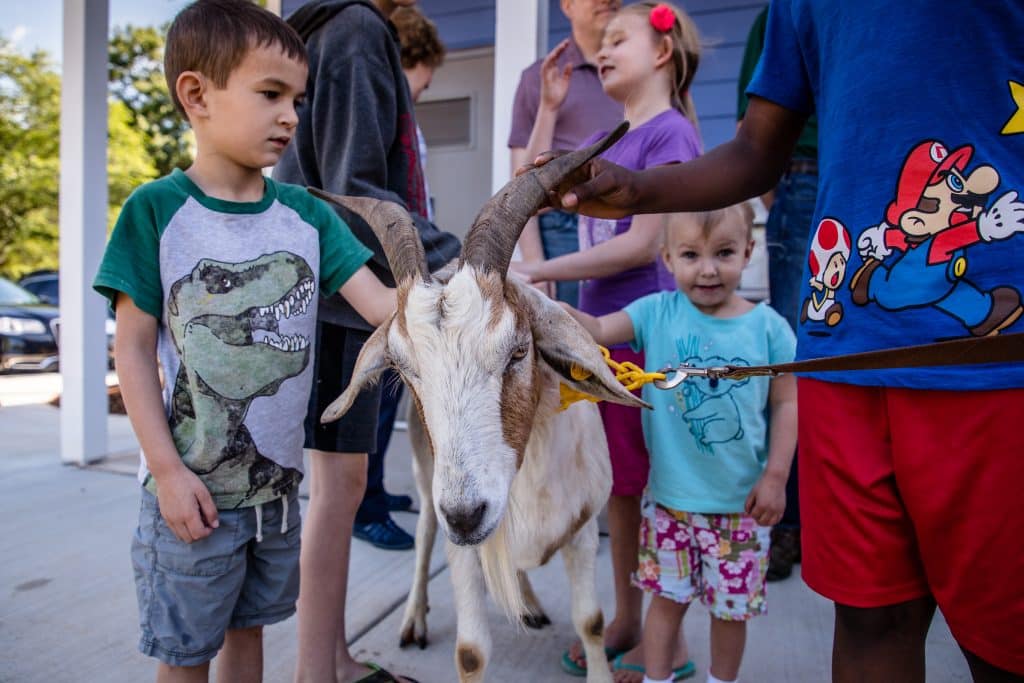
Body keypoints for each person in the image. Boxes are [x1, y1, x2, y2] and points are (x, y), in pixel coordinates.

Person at [533, 2, 1024, 679]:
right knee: (868, 617)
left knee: (1004, 639)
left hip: (991, 355)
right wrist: (637, 191)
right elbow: (758, 147)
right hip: (841, 346)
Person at [92, 1, 397, 681]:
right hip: (191, 495)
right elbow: (133, 350)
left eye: (298, 99)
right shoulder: (157, 210)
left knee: (248, 633)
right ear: (197, 95)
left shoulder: (307, 214)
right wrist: (168, 471)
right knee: (186, 655)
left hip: (275, 491)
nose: (292, 115)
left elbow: (383, 305)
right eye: (270, 94)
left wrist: (474, 297)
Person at [511, 3, 701, 679]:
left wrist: (536, 271)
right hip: (607, 338)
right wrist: (547, 109)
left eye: (620, 40)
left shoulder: (669, 135)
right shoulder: (618, 136)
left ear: (661, 53)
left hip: (648, 337)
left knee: (663, 490)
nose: (604, 50)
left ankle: (667, 641)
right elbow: (527, 185)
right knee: (619, 488)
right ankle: (626, 616)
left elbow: (644, 244)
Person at [272, 0, 459, 680]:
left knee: (343, 486)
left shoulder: (345, 30)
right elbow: (352, 190)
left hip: (344, 296)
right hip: (339, 301)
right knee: (335, 489)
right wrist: (455, 256)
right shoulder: (354, 32)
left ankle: (333, 657)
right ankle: (315, 671)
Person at [564, 204, 797, 683]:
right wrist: (557, 314)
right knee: (665, 602)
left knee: (731, 613)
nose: (708, 269)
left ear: (749, 252)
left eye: (724, 253)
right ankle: (657, 678)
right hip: (668, 504)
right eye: (691, 255)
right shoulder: (656, 312)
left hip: (741, 509)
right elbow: (602, 330)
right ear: (667, 259)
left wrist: (776, 477)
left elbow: (788, 405)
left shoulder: (769, 328)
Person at [344, 5, 448, 554]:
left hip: (404, 278)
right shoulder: (379, 107)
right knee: (377, 404)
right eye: (421, 84)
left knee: (391, 404)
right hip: (379, 282)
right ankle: (368, 505)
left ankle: (379, 489)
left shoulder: (401, 120)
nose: (420, 96)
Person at [735, 5, 818, 582]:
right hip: (805, 172)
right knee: (793, 355)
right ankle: (786, 527)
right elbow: (754, 120)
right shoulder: (780, 13)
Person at [508, 0, 623, 305]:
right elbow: (522, 182)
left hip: (629, 215)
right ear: (567, 5)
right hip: (564, 226)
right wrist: (538, 268)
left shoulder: (634, 72)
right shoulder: (538, 77)